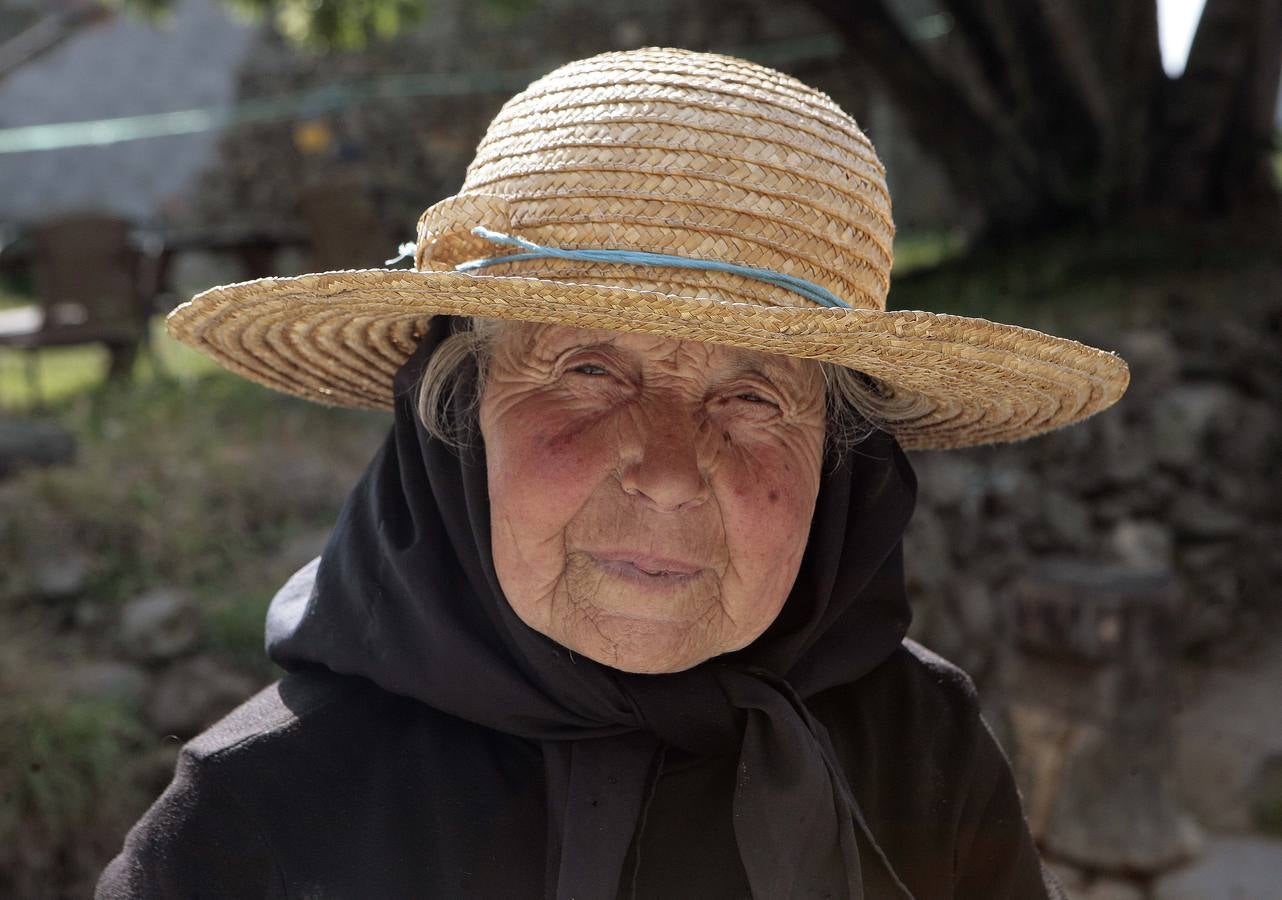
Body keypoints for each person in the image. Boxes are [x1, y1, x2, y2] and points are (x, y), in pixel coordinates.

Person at [97, 47, 1127, 899]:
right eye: (588, 371)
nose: (671, 474)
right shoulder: (259, 818)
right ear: (457, 424)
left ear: (840, 465)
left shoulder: (918, 743)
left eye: (753, 396)